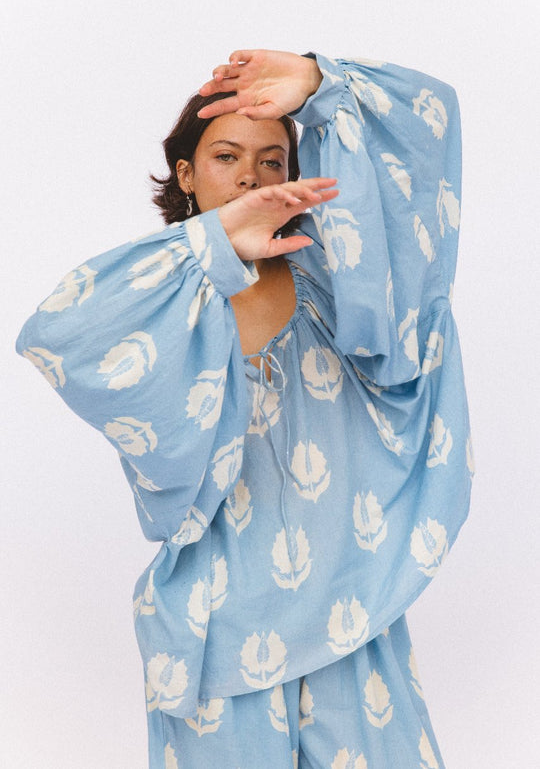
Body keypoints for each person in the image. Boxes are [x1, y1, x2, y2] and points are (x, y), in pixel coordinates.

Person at [16, 49, 473, 768]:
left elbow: (429, 137)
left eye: (271, 160)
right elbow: (55, 333)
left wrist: (322, 86)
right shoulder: (160, 301)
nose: (250, 177)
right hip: (215, 637)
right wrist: (214, 247)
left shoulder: (342, 293)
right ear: (186, 175)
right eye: (226, 157)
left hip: (348, 618)